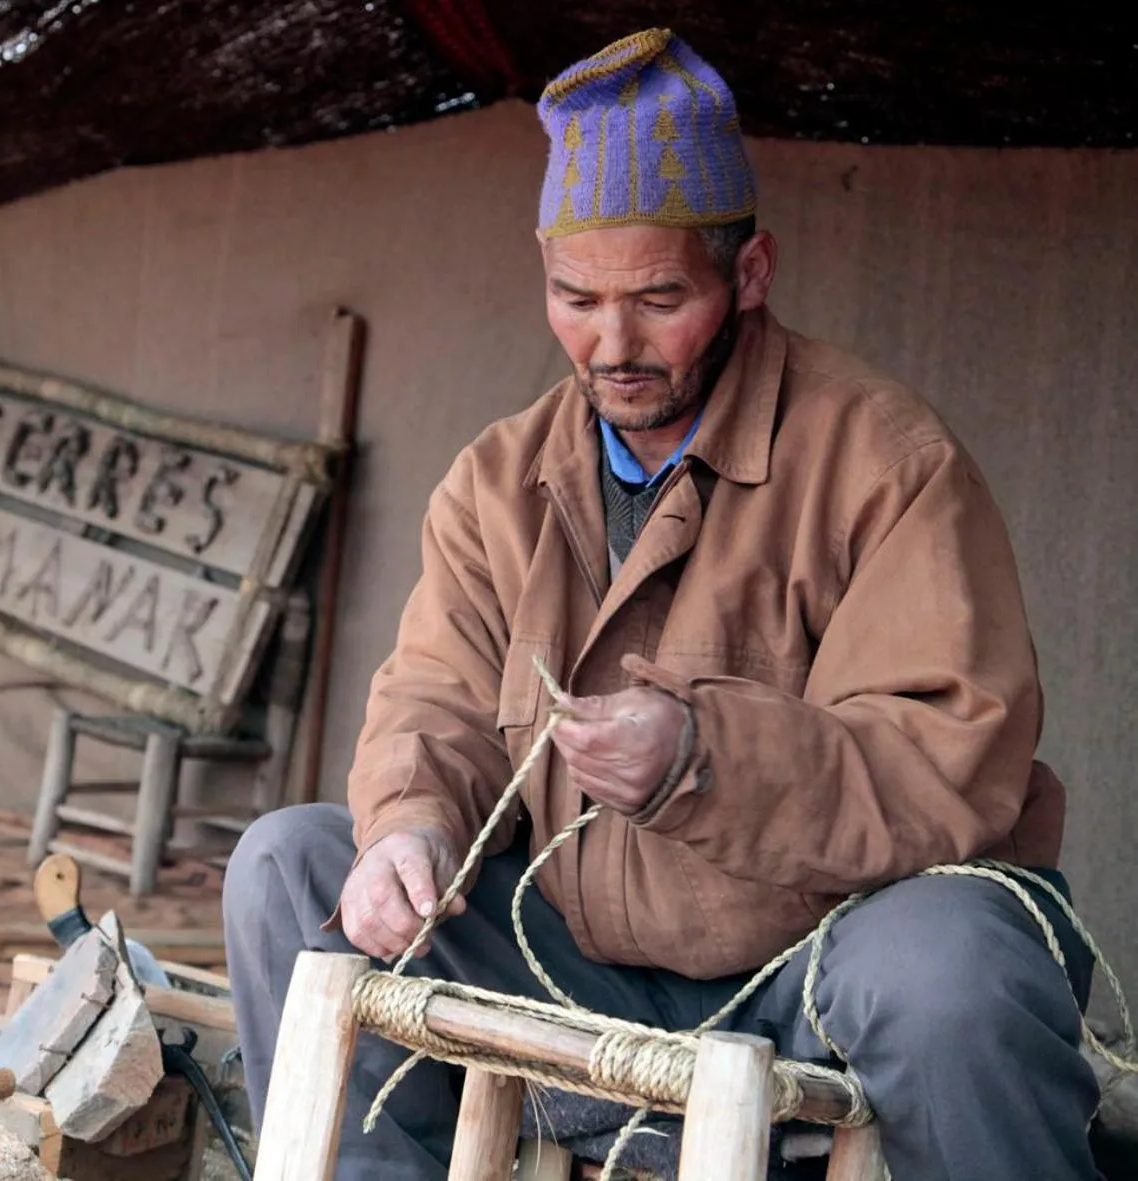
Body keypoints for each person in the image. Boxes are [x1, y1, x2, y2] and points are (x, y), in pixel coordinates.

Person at [223, 27, 1099, 1181]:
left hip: (807, 979)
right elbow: (432, 695)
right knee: (290, 862)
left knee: (954, 971)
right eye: (574, 297)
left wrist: (702, 754)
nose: (613, 344)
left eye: (658, 298)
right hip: (570, 960)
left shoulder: (884, 460)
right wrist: (410, 824)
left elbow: (950, 759)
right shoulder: (499, 478)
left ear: (749, 275)